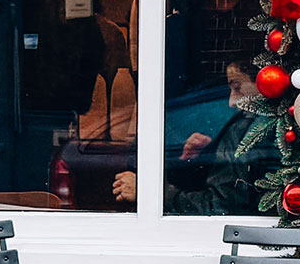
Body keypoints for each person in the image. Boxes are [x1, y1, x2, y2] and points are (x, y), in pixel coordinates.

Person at [114, 56, 273, 216]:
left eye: (237, 88)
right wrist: (204, 155)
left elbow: (222, 205)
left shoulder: (250, 130)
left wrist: (151, 192)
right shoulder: (260, 129)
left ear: (263, 84)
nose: (231, 102)